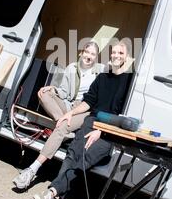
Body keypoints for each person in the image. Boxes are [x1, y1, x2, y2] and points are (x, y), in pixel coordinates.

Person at [32, 39, 133, 199]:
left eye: (120, 53)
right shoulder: (102, 77)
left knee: (85, 157)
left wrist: (102, 131)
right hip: (92, 121)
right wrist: (70, 113)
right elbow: (89, 101)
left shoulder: (129, 80)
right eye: (114, 52)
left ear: (127, 56)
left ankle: (52, 193)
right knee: (72, 153)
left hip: (110, 130)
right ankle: (54, 198)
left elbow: (121, 114)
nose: (116, 55)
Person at [13, 41, 104, 190]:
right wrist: (52, 89)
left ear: (96, 57)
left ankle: (32, 170)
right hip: (69, 106)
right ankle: (61, 124)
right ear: (81, 53)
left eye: (93, 54)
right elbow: (64, 92)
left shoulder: (100, 72)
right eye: (87, 52)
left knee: (63, 127)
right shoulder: (71, 68)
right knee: (44, 93)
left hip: (85, 110)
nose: (89, 56)